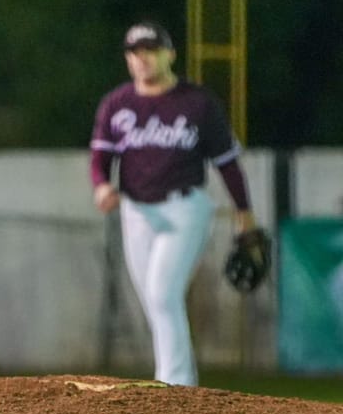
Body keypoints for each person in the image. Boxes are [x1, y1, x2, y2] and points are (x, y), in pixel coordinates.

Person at [89, 20, 257, 387]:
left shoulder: (197, 103)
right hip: (136, 210)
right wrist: (101, 187)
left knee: (162, 292)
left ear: (170, 54)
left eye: (151, 50)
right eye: (135, 52)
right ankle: (180, 382)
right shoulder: (117, 105)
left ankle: (176, 385)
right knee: (153, 300)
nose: (143, 59)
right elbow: (99, 159)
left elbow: (227, 163)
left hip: (185, 209)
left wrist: (244, 212)